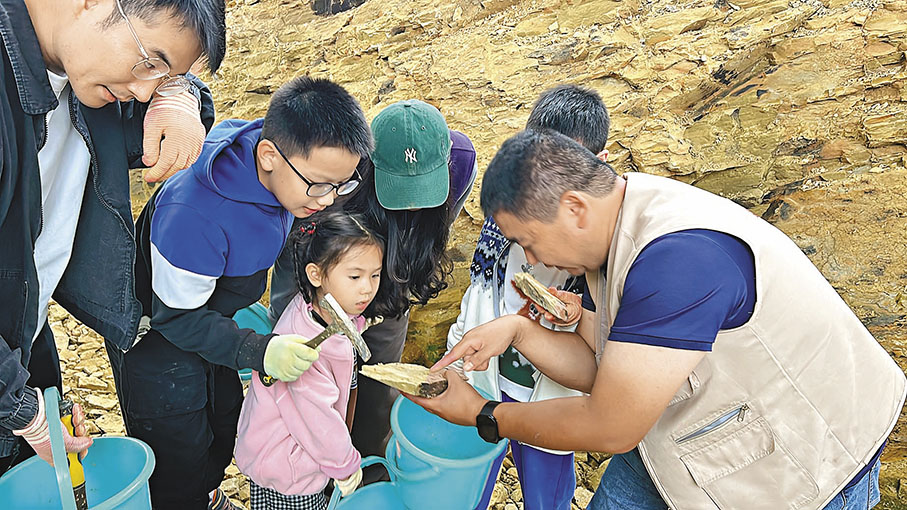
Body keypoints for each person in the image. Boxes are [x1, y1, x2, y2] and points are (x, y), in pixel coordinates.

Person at [417, 129, 906, 510]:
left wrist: (484, 416)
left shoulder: (677, 260)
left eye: (527, 240)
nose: (530, 255)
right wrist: (519, 331)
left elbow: (610, 424)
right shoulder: (618, 222)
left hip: (799, 459)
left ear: (574, 208)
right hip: (675, 439)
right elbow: (609, 376)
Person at [104, 76, 372, 509]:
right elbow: (176, 319)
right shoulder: (194, 216)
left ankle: (208, 495)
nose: (328, 200)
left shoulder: (284, 172)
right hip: (158, 339)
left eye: (341, 186)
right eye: (320, 185)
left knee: (223, 415)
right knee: (179, 449)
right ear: (268, 156)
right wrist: (259, 350)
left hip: (215, 318)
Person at [0, 0, 225, 474]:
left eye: (161, 79)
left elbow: (170, 114)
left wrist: (181, 95)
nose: (144, 93)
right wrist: (19, 408)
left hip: (22, 331)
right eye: (150, 64)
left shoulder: (90, 76)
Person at [269, 99, 478, 476]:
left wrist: (386, 293)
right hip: (324, 287)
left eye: (424, 192)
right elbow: (297, 251)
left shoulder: (461, 161)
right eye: (400, 191)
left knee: (379, 389)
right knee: (311, 388)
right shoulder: (341, 173)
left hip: (389, 283)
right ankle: (311, 473)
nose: (413, 206)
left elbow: (433, 231)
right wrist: (296, 323)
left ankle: (368, 468)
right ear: (370, 163)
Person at [448, 84, 610, 510]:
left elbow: (605, 352)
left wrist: (577, 317)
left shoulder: (600, 259)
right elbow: (479, 290)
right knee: (474, 479)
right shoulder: (502, 224)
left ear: (599, 168)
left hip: (550, 401)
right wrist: (458, 348)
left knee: (546, 492)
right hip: (489, 380)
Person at [236, 210, 390, 510]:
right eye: (355, 276)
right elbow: (318, 419)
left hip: (290, 449)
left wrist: (356, 325)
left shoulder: (317, 307)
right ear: (316, 274)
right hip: (288, 466)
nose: (367, 287)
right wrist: (345, 466)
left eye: (375, 274)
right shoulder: (305, 346)